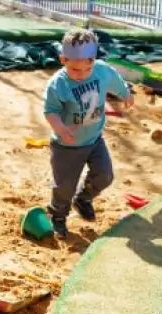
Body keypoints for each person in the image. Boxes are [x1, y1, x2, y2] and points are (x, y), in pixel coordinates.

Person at [43, 28, 135, 238]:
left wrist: (126, 94)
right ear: (63, 59)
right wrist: (60, 128)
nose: (82, 74)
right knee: (64, 186)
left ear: (94, 59)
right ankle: (58, 216)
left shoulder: (101, 70)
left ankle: (83, 198)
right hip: (67, 146)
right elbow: (50, 110)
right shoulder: (58, 85)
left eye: (88, 68)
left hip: (94, 139)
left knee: (105, 175)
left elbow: (116, 82)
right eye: (75, 70)